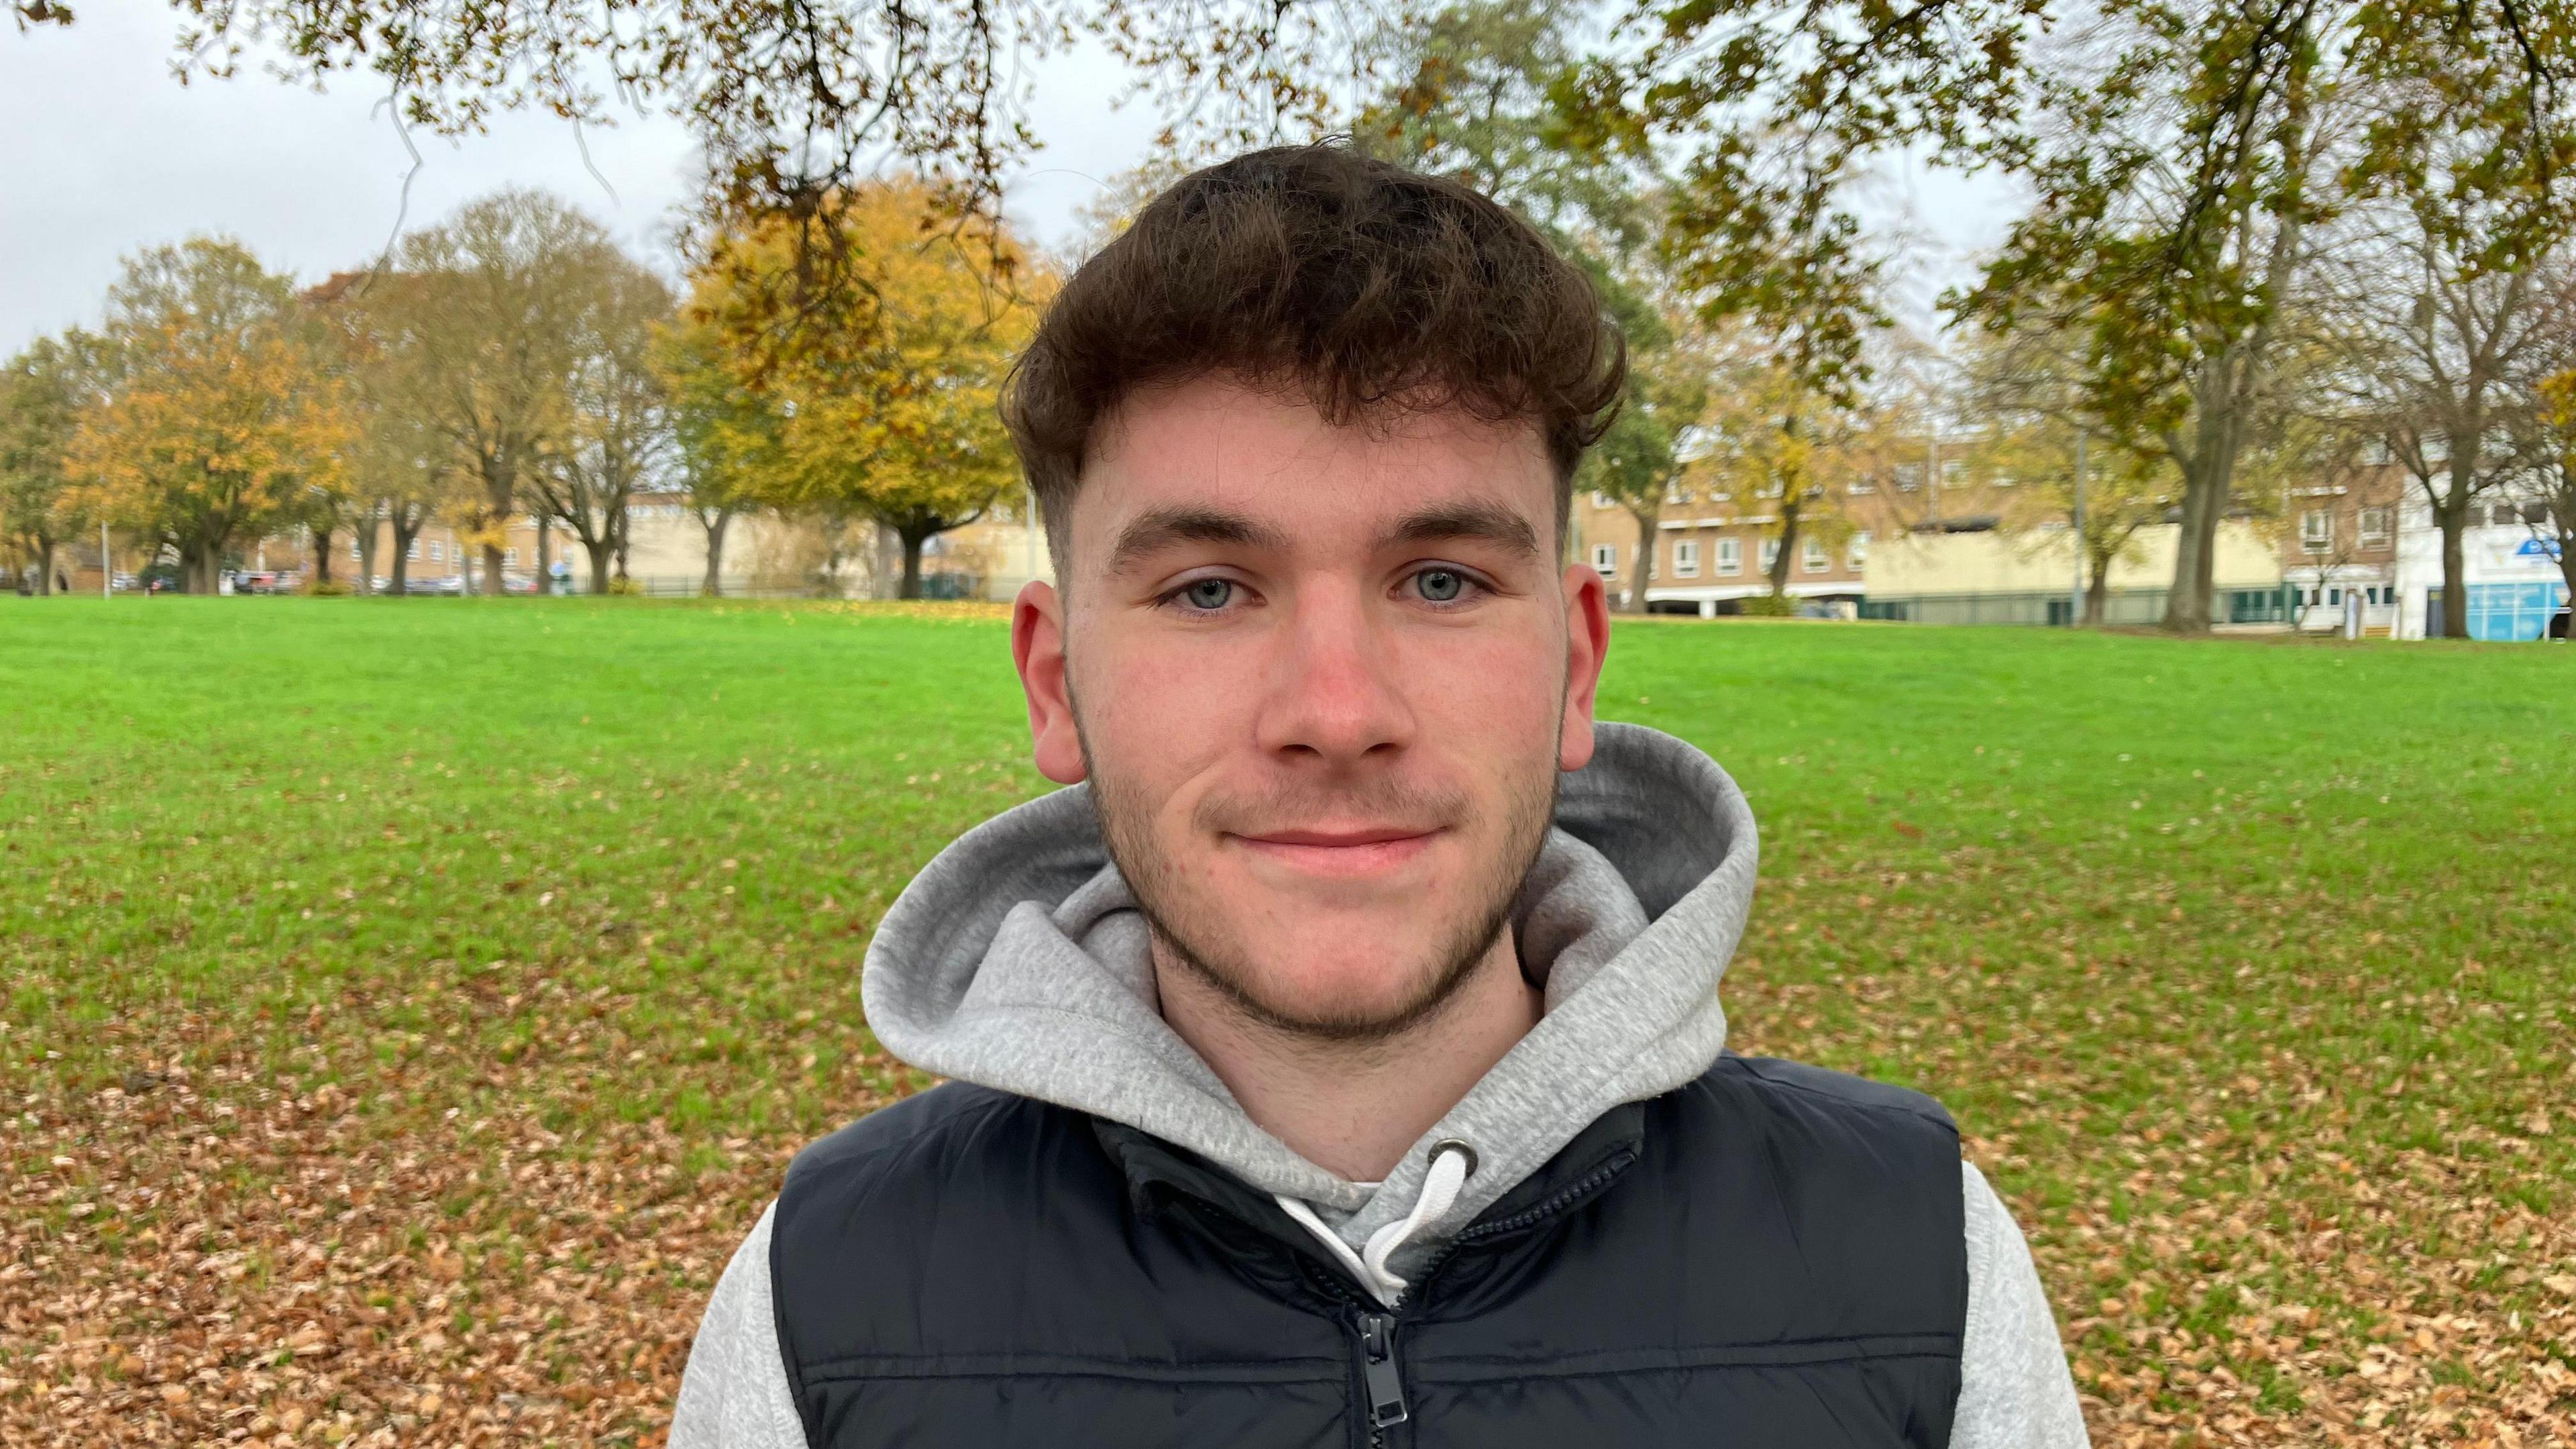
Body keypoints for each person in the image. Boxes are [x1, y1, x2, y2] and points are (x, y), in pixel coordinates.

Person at [672, 144, 2088, 1449]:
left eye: (1442, 581)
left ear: (1577, 664)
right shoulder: (824, 1307)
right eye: (1210, 590)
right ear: (1057, 686)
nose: (1337, 715)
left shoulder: (1918, 1259)